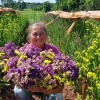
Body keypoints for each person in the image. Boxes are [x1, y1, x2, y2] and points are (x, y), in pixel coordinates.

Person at [14, 22, 63, 100]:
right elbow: (16, 75)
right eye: (34, 34)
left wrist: (49, 89)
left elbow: (62, 76)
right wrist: (29, 87)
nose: (38, 37)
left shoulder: (53, 50)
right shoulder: (23, 51)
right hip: (30, 84)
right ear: (30, 36)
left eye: (41, 33)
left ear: (46, 35)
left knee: (54, 98)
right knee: (18, 92)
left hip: (49, 85)